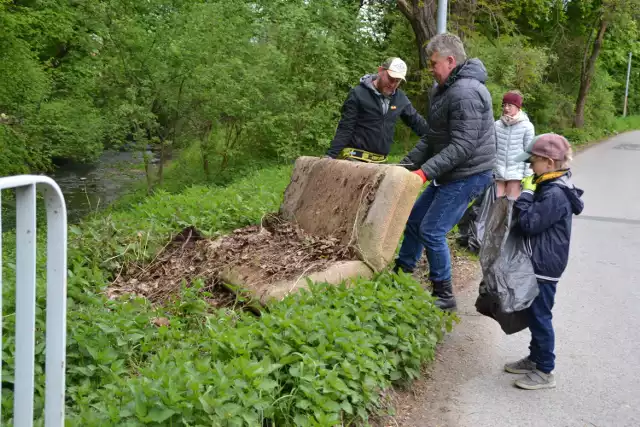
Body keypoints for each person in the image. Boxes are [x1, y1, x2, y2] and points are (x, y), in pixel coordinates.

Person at [393, 33, 496, 311]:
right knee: (414, 220)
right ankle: (401, 273)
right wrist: (404, 166)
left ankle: (444, 294)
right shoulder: (442, 91)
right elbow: (432, 138)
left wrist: (424, 173)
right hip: (451, 170)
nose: (431, 69)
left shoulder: (466, 92)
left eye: (434, 63)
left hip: (470, 173)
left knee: (432, 230)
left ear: (450, 61)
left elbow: (463, 145)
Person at [504, 133, 584, 390]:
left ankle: (545, 370)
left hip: (544, 265)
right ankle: (535, 358)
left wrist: (526, 193)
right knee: (533, 312)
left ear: (549, 163)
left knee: (540, 315)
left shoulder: (554, 194)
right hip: (538, 260)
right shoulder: (549, 186)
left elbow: (529, 224)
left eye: (533, 162)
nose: (529, 167)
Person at [325, 57, 428, 163]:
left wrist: (438, 137)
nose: (392, 84)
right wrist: (330, 156)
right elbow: (345, 128)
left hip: (381, 162)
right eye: (390, 78)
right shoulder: (358, 93)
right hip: (354, 159)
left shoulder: (400, 99)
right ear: (380, 71)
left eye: (397, 81)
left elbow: (418, 123)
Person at [494, 90, 535, 199]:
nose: (506, 108)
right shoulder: (496, 125)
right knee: (495, 205)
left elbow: (529, 152)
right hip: (498, 172)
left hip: (516, 174)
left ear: (518, 107)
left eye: (510, 105)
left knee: (511, 205)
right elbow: (493, 149)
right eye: (504, 105)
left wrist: (527, 174)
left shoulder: (527, 126)